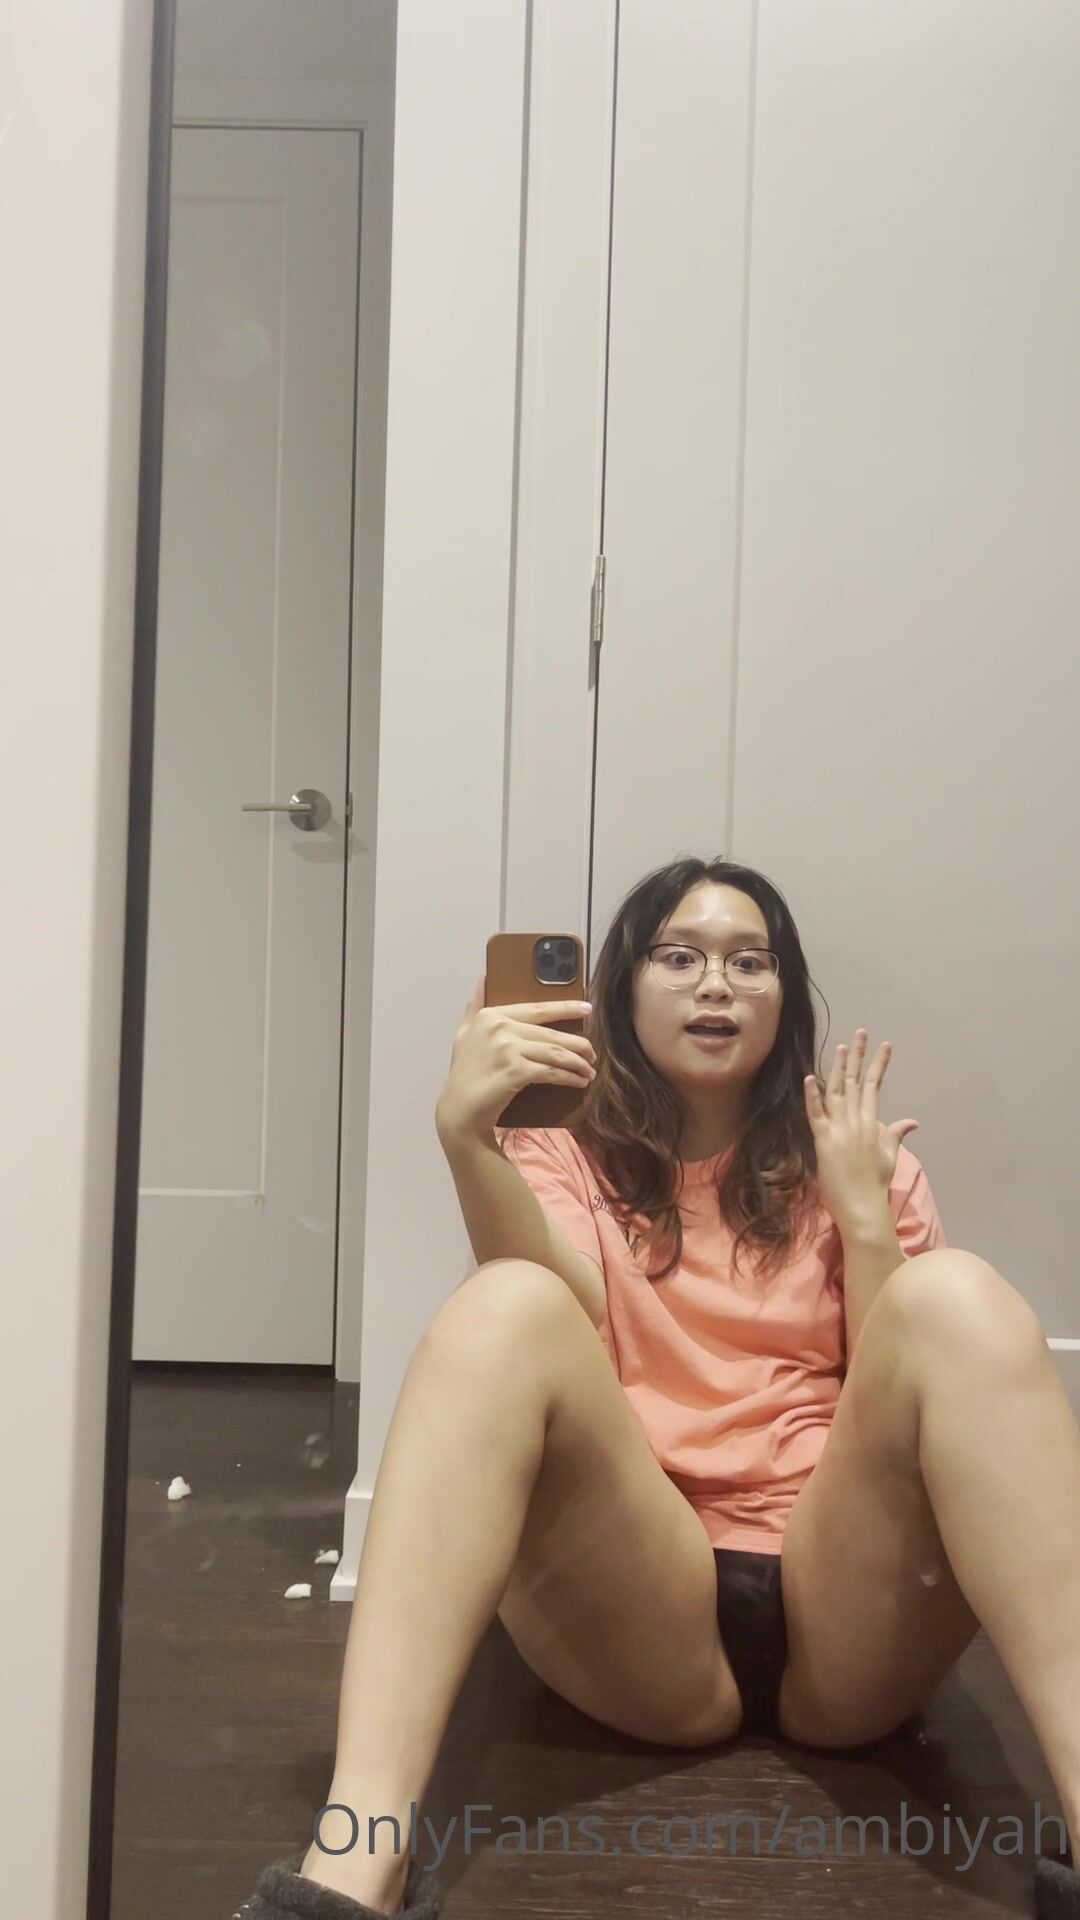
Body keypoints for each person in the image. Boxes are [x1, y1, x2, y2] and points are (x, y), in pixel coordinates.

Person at [233, 854, 1080, 1920]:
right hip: (644, 1598)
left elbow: (903, 1407)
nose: (717, 983)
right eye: (679, 957)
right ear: (622, 990)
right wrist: (467, 1141)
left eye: (750, 962)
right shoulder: (560, 1148)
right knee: (502, 1304)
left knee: (958, 1296)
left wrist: (865, 1215)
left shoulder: (862, 1162)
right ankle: (358, 1861)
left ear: (785, 998)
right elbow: (555, 1304)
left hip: (844, 1605)